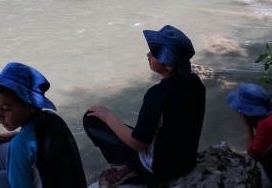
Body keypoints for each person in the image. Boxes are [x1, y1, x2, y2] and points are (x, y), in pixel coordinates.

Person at [83, 25, 206, 187]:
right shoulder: (195, 83)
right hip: (186, 162)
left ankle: (125, 167)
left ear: (168, 66)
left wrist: (107, 116)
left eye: (154, 53)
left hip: (158, 169)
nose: (148, 55)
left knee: (90, 119)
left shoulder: (157, 94)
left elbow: (138, 144)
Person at [0, 62, 87, 188]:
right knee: (0, 150)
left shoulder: (20, 145)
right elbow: (43, 141)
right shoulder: (53, 117)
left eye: (5, 109)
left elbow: (23, 146)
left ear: (30, 107)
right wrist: (19, 136)